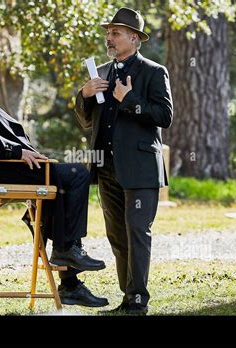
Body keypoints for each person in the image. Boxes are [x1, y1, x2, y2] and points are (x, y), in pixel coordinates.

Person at [0, 48, 108, 307]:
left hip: (10, 169)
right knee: (77, 174)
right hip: (0, 172)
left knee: (61, 188)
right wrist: (16, 151)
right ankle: (67, 252)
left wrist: (24, 152)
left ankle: (70, 283)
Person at [75, 7, 173, 315]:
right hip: (106, 169)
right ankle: (126, 298)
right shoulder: (101, 72)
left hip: (141, 169)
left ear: (134, 37)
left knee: (137, 232)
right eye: (108, 33)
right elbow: (87, 121)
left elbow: (164, 116)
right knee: (116, 235)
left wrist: (128, 100)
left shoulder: (154, 72)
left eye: (116, 33)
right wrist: (84, 94)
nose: (109, 38)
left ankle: (138, 300)